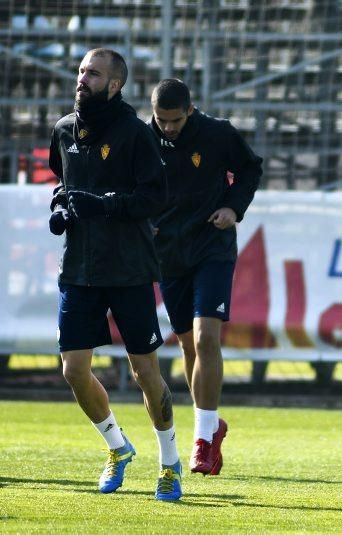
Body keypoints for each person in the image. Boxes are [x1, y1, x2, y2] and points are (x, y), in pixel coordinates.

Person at [47, 49, 182, 501]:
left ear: (115, 84)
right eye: (82, 70)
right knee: (73, 370)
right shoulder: (64, 129)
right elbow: (62, 182)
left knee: (145, 372)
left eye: (94, 74)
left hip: (127, 270)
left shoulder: (134, 134)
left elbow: (155, 197)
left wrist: (104, 204)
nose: (83, 78)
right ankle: (118, 448)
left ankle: (169, 464)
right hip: (79, 269)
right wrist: (61, 205)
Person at [147, 79, 262, 475]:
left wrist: (233, 207)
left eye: (175, 120)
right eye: (161, 120)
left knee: (205, 337)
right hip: (168, 254)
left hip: (212, 245)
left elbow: (250, 168)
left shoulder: (217, 133)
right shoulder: (142, 137)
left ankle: (202, 443)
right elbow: (130, 188)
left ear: (190, 111)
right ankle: (213, 426)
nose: (168, 128)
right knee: (188, 348)